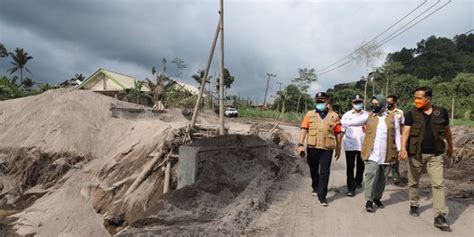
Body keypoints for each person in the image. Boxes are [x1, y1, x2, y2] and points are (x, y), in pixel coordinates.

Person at [399, 87, 453, 231]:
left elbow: (447, 131)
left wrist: (451, 147)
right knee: (414, 181)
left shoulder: (441, 112)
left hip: (436, 154)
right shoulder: (411, 113)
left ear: (428, 98)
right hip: (416, 154)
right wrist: (403, 148)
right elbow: (406, 132)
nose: (416, 100)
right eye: (415, 98)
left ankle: (439, 215)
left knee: (438, 184)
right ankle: (414, 204)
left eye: (419, 98)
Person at [341, 95, 401, 212]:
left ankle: (377, 198)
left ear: (383, 104)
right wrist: (340, 122)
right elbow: (354, 122)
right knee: (371, 175)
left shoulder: (393, 117)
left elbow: (397, 134)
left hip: (387, 152)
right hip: (372, 152)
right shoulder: (368, 116)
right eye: (372, 104)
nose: (374, 106)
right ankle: (369, 200)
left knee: (382, 178)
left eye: (376, 104)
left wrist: (400, 150)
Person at [297, 92, 342, 206]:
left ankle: (322, 196)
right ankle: (315, 186)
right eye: (318, 100)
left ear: (327, 101)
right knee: (313, 168)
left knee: (325, 171)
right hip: (312, 146)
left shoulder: (334, 116)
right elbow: (304, 129)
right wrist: (300, 144)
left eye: (322, 100)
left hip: (327, 147)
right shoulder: (309, 114)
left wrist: (338, 147)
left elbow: (337, 132)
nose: (320, 102)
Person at [340, 95, 367, 197]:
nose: (358, 104)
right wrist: (338, 145)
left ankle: (358, 181)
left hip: (362, 144)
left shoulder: (366, 115)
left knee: (361, 165)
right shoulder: (347, 115)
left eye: (359, 102)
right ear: (352, 103)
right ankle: (351, 188)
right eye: (356, 102)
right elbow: (342, 130)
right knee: (350, 167)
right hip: (350, 144)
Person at [387, 95, 404, 185]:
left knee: (395, 159)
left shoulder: (400, 112)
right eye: (387, 102)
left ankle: (396, 177)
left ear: (395, 102)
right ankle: (383, 176)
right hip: (386, 138)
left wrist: (403, 139)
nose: (388, 104)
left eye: (390, 102)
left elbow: (402, 126)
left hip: (396, 138)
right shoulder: (384, 112)